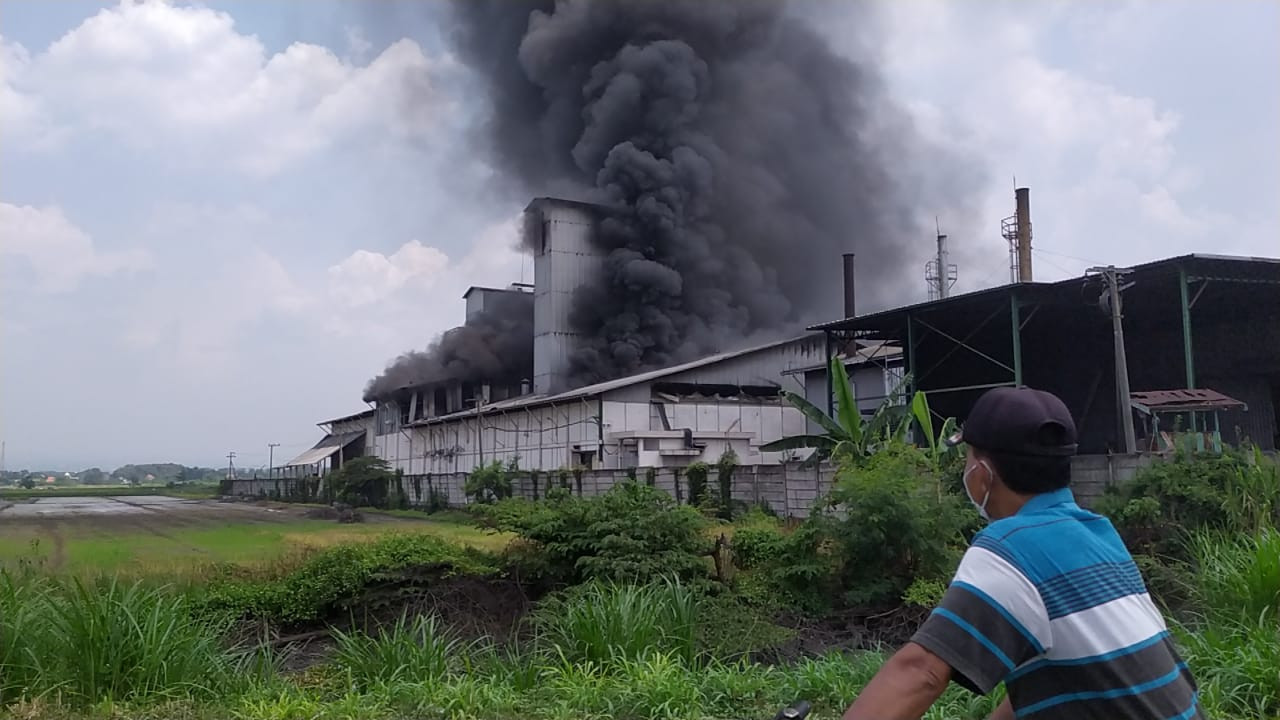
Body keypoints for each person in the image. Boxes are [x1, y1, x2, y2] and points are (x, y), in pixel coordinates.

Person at [841, 387, 1202, 720]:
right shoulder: (1098, 532)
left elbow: (922, 672)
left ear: (983, 474)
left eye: (968, 458)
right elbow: (1064, 672)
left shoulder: (1009, 547)